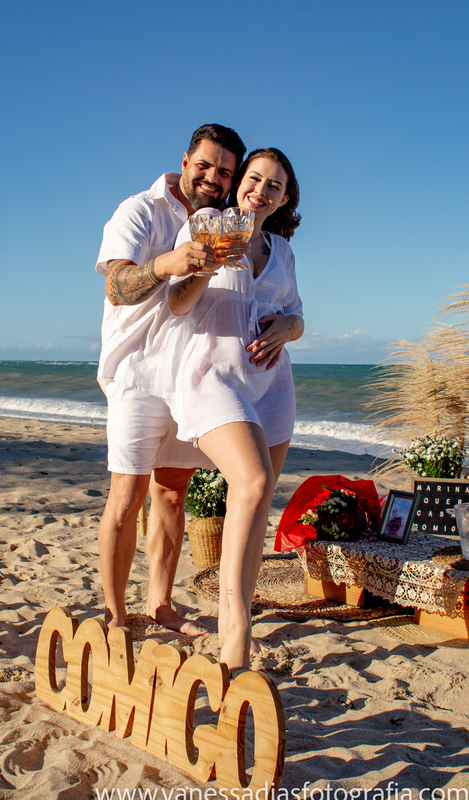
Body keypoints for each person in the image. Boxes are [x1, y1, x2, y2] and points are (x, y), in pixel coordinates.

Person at [94, 123, 246, 635]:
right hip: (136, 370)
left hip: (188, 375)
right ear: (184, 161)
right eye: (204, 165)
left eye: (224, 172)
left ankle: (160, 605)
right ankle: (116, 616)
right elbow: (116, 286)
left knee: (172, 495)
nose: (212, 177)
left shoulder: (224, 221)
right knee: (127, 494)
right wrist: (168, 264)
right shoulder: (140, 210)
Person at [160, 147, 304, 668]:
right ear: (239, 181)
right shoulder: (205, 225)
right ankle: (238, 634)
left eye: (274, 185)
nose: (260, 190)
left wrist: (288, 327)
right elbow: (177, 303)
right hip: (214, 375)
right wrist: (207, 265)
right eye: (254, 178)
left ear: (283, 199)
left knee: (256, 502)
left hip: (272, 385)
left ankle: (231, 617)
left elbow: (297, 316)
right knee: (255, 482)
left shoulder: (282, 251)